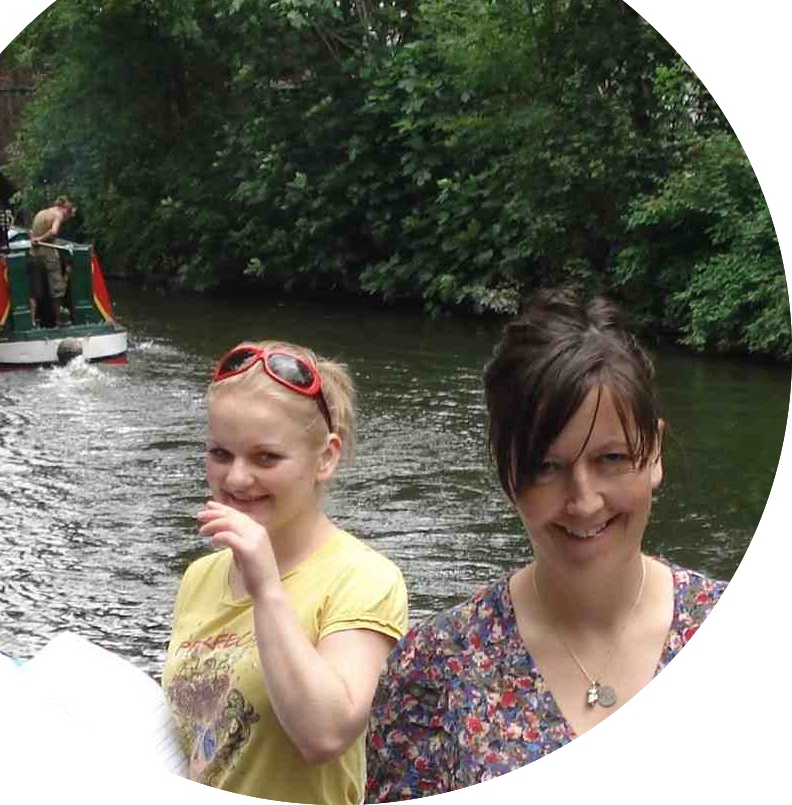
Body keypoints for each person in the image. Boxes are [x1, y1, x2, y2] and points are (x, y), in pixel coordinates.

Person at [366, 289, 726, 798]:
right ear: (506, 473)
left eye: (611, 459)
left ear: (655, 454)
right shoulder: (434, 667)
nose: (584, 501)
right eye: (546, 467)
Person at [162, 341, 409, 805]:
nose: (235, 479)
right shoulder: (200, 577)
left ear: (325, 458)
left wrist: (267, 589)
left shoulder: (364, 578)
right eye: (220, 453)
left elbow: (325, 734)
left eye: (266, 458)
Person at [29, 195, 75, 326]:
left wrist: (36, 239)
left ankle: (32, 321)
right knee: (57, 290)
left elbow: (32, 233)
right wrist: (41, 239)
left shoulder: (41, 213)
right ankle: (59, 320)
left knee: (34, 291)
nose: (66, 218)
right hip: (49, 256)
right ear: (65, 209)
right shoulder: (58, 215)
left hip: (34, 255)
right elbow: (54, 231)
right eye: (68, 215)